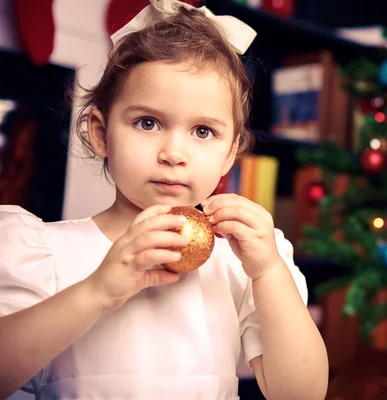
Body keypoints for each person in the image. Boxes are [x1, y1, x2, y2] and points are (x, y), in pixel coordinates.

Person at [0, 1, 329, 399]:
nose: (174, 153)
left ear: (231, 153)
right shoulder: (45, 253)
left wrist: (269, 274)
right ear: (102, 134)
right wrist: (97, 291)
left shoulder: (241, 262)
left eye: (203, 131)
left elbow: (302, 393)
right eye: (148, 123)